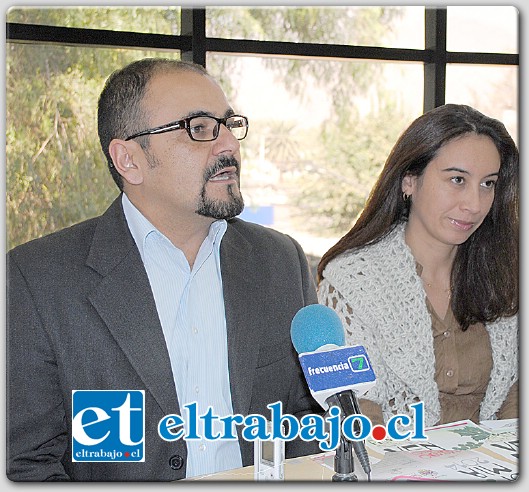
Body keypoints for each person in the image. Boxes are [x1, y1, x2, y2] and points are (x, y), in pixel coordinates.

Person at [7, 58, 321, 481]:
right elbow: (24, 464)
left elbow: (306, 421)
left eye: (229, 124)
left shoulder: (279, 261)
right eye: (199, 127)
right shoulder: (38, 280)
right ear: (129, 160)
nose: (228, 144)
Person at [317, 104, 518, 428]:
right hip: (395, 469)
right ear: (409, 180)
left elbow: (515, 395)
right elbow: (356, 413)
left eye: (488, 184)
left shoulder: (506, 273)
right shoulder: (352, 284)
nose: (474, 204)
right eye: (457, 179)